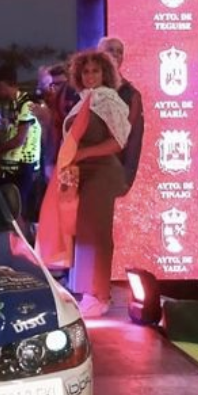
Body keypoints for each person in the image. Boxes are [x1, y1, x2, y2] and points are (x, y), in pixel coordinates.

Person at [38, 49, 131, 318]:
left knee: (95, 234)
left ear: (105, 73)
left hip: (102, 172)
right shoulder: (84, 100)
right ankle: (88, 292)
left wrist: (83, 153)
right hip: (81, 172)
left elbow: (117, 142)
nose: (90, 76)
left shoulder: (108, 100)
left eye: (95, 71)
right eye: (86, 71)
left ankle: (99, 296)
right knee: (81, 232)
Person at [0, 64, 42, 221]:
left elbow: (19, 139)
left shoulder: (26, 103)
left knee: (16, 212)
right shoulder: (14, 103)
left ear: (2, 84)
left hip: (23, 165)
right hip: (12, 164)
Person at [98, 36, 145, 193]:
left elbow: (134, 139)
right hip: (84, 169)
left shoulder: (131, 95)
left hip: (113, 169)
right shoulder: (84, 89)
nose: (115, 54)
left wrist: (127, 178)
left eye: (119, 51)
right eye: (110, 50)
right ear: (99, 53)